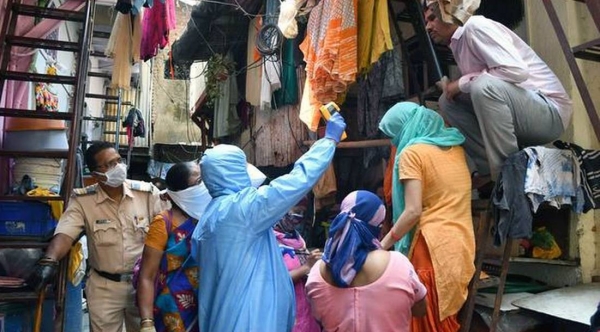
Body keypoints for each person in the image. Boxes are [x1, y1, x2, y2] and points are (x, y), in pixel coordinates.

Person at [192, 112, 346, 332]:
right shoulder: (242, 209)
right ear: (234, 171)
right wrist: (328, 142)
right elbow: (295, 182)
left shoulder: (209, 217)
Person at [425, 1, 572, 194]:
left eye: (432, 18)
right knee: (448, 100)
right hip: (525, 112)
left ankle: (511, 174)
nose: (428, 27)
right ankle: (488, 170)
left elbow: (516, 71)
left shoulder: (475, 26)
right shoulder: (458, 42)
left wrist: (461, 83)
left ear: (447, 14)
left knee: (482, 87)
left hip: (550, 112)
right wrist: (457, 86)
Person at [26, 141, 164, 332]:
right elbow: (66, 233)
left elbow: (168, 228)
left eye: (118, 161)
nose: (117, 167)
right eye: (108, 165)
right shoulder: (84, 201)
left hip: (143, 284)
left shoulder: (147, 194)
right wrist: (49, 261)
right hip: (104, 288)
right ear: (95, 174)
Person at [378, 102, 475, 332]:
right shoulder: (455, 148)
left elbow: (412, 211)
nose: (394, 144)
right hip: (461, 249)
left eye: (395, 135)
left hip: (429, 251)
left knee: (424, 324)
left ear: (406, 128)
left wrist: (383, 245)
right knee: (443, 321)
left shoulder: (412, 153)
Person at [306, 190, 427, 332]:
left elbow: (318, 318)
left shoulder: (317, 275)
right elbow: (420, 310)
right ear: (378, 227)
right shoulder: (399, 264)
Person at [137, 162, 205, 332]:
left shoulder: (209, 217)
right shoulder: (164, 222)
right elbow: (147, 275)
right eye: (199, 182)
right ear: (183, 192)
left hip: (205, 304)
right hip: (171, 310)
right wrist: (147, 322)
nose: (205, 185)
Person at [273, 199, 322, 332]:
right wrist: (305, 267)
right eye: (296, 211)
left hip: (305, 310)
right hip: (284, 311)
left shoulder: (297, 238)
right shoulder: (268, 242)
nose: (298, 217)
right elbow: (272, 282)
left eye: (302, 212)